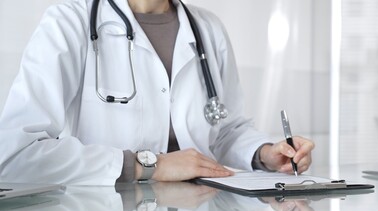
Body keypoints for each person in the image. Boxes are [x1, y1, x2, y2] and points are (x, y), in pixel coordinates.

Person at [0, 0, 314, 185]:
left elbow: (225, 132)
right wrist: (146, 165)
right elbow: (14, 153)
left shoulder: (208, 28)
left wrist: (264, 154)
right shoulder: (71, 20)